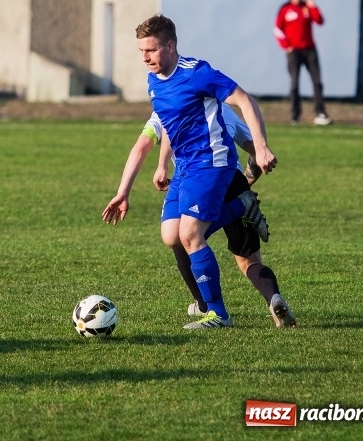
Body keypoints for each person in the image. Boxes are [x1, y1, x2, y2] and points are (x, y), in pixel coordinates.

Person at [132, 13, 276, 330]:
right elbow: (170, 126)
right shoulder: (154, 81)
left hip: (212, 165)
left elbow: (244, 100)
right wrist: (161, 164)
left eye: (151, 50)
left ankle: (217, 313)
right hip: (186, 168)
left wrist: (262, 147)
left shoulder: (198, 73)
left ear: (170, 46)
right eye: (141, 51)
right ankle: (242, 206)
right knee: (172, 235)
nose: (145, 57)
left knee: (195, 237)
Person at [102, 106, 296, 328]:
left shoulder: (167, 107)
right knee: (249, 261)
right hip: (233, 182)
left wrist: (133, 184)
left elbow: (141, 147)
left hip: (199, 182)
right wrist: (243, 185)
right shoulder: (223, 108)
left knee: (182, 235)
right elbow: (257, 155)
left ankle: (205, 304)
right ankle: (274, 298)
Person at [274, 0, 332, 126]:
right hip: (294, 51)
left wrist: (313, 6)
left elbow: (319, 20)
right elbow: (277, 29)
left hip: (310, 50)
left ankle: (320, 113)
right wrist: (286, 46)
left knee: (317, 82)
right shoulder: (285, 9)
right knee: (294, 84)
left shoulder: (307, 7)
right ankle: (295, 116)